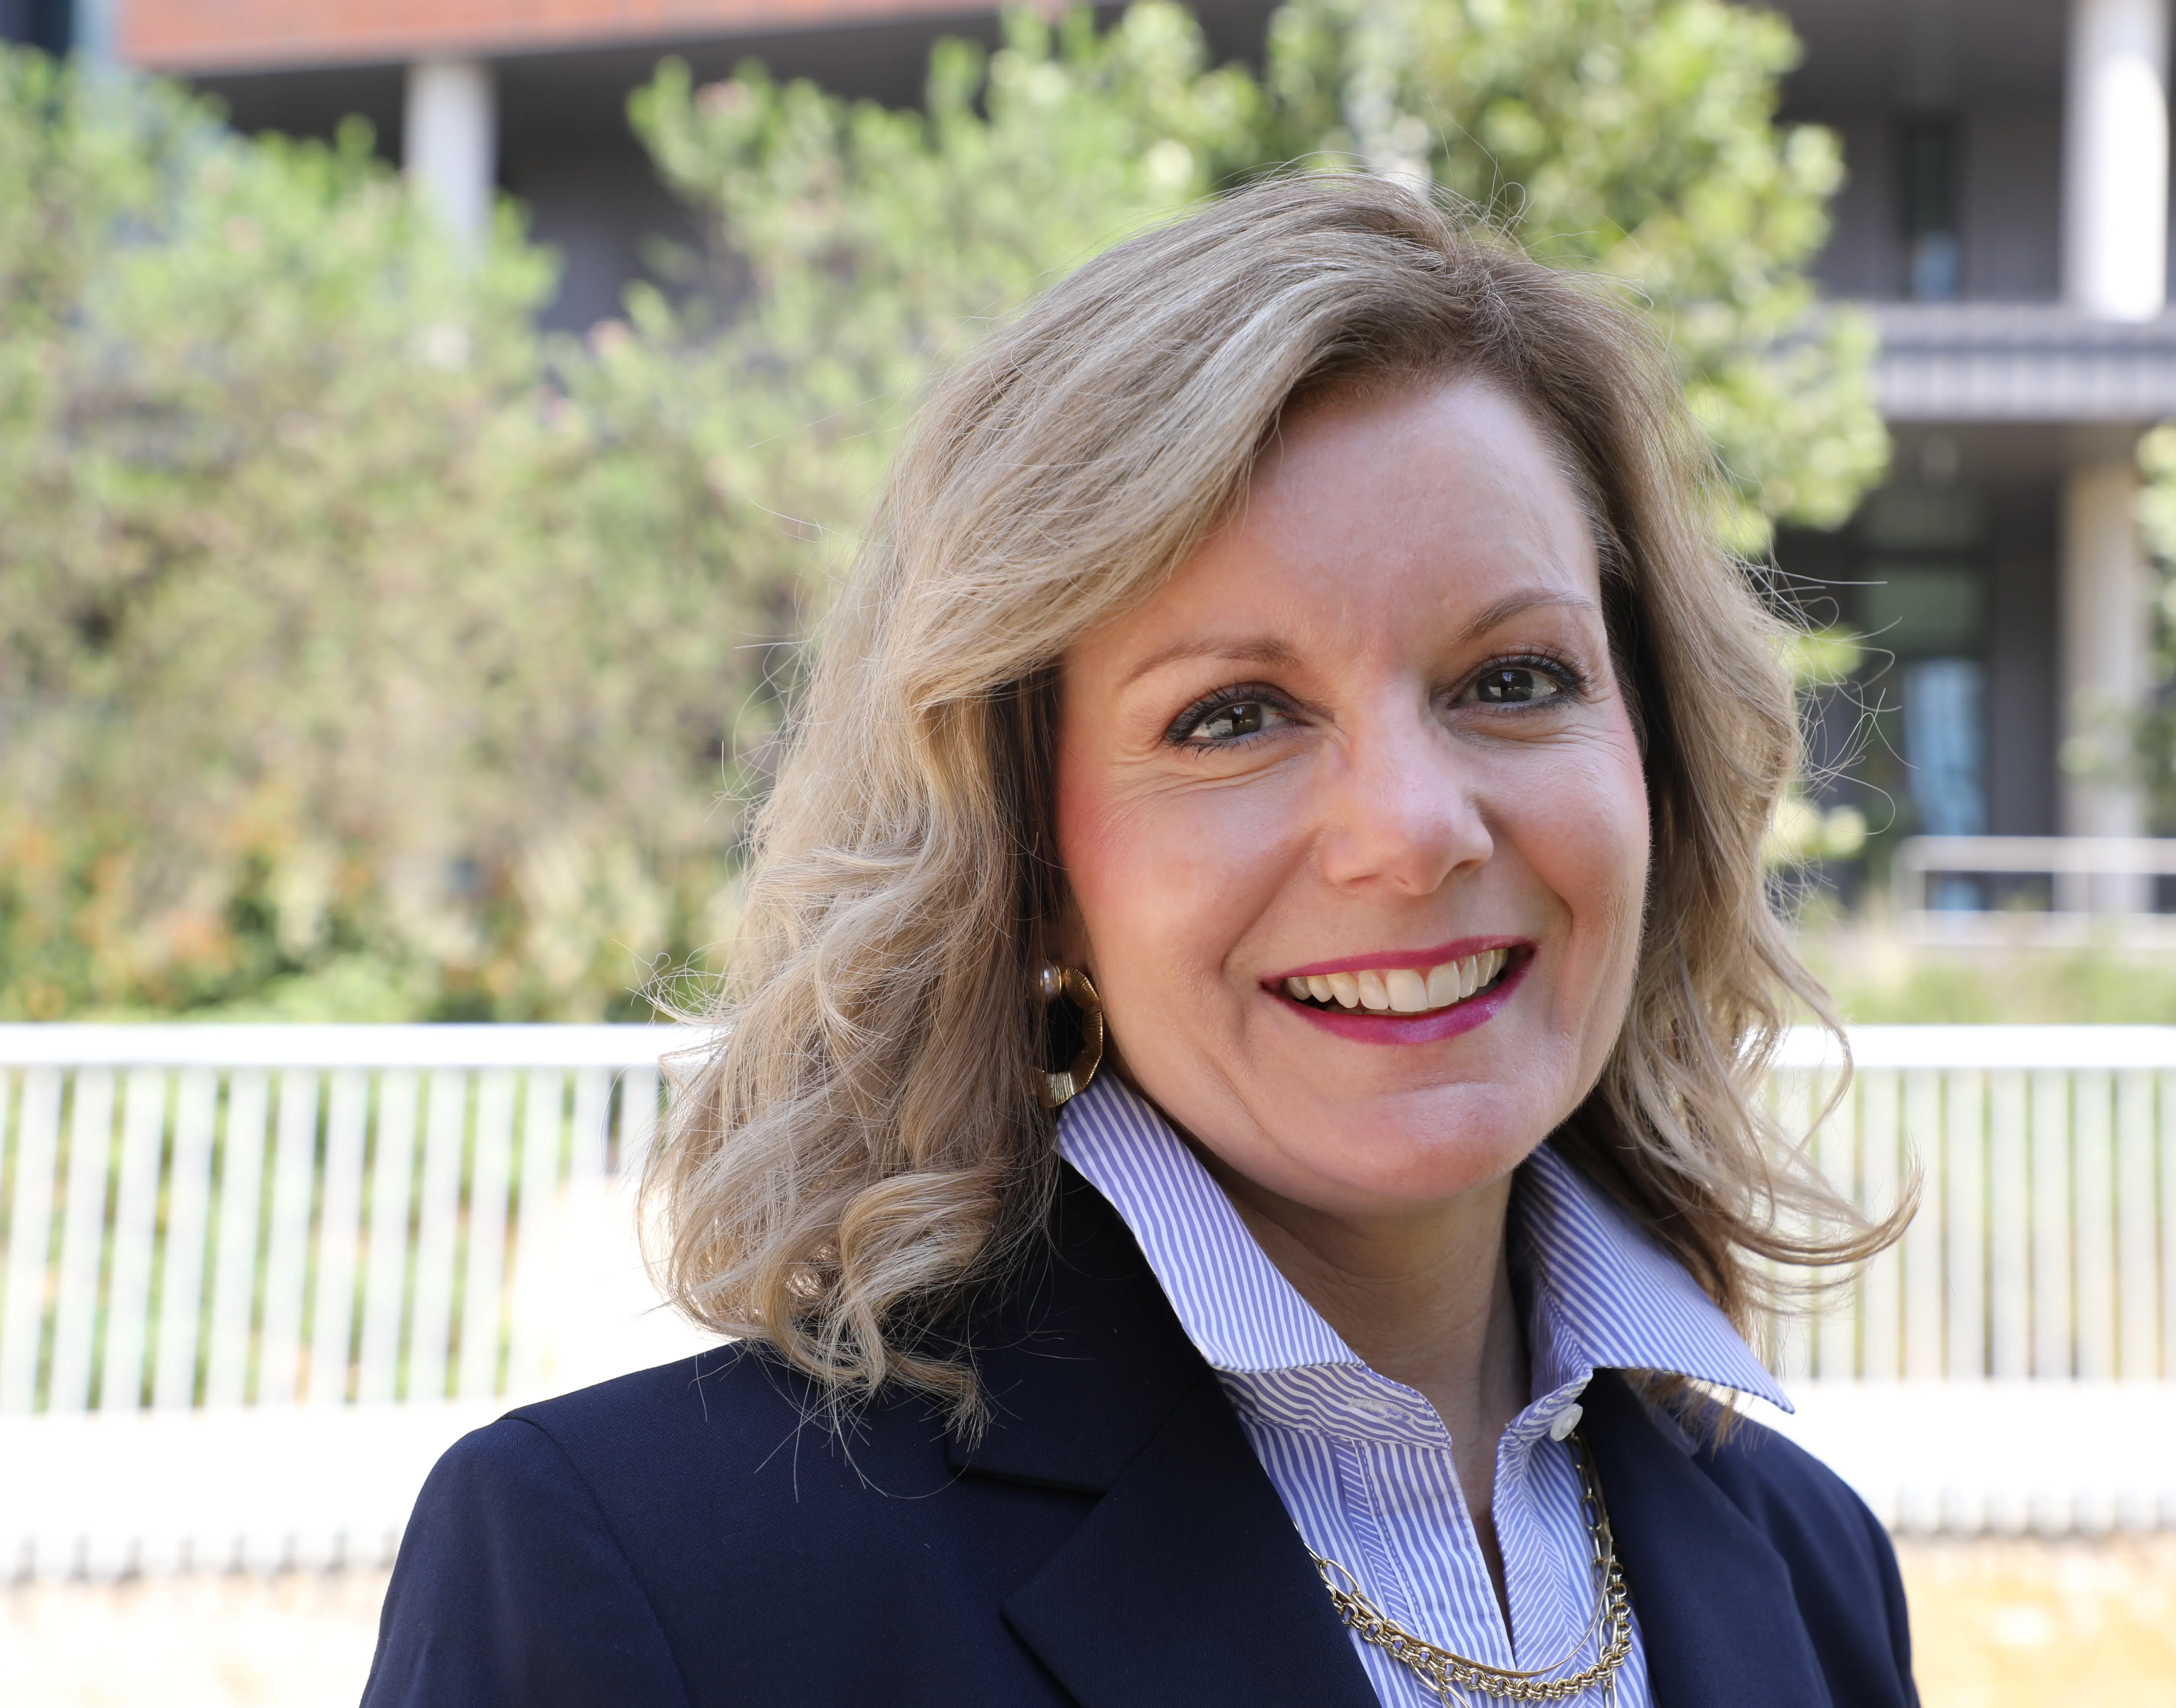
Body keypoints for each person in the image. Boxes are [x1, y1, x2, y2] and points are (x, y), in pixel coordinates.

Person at [362, 174, 1917, 1708]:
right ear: (1032, 867)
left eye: (1511, 679)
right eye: (1233, 716)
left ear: (1653, 761)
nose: (1413, 827)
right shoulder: (650, 1579)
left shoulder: (1814, 1569)